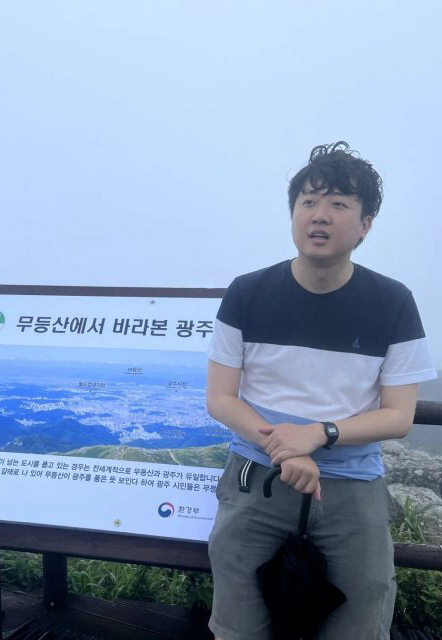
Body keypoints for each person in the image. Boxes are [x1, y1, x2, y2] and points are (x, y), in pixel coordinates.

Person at [205, 141, 437, 640]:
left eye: (338, 203)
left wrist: (319, 434)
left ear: (366, 224)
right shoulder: (247, 292)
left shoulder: (393, 302)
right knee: (238, 626)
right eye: (308, 201)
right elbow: (221, 398)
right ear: (293, 214)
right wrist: (287, 448)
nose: (319, 215)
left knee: (359, 621)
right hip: (256, 477)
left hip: (351, 487)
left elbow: (398, 415)